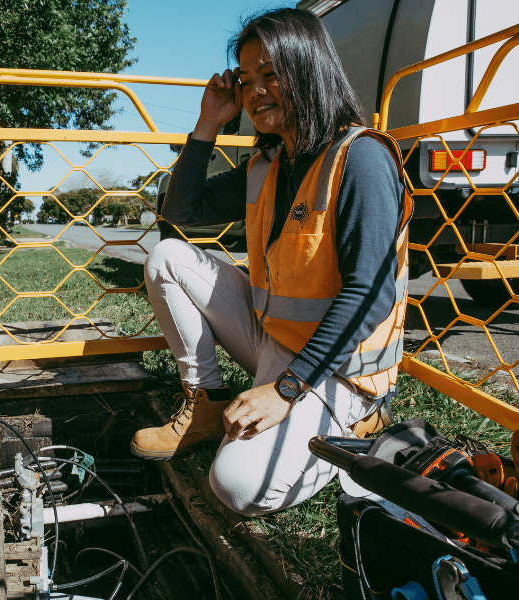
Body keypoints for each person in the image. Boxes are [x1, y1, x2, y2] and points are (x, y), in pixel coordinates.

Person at [130, 8, 411, 516]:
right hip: (273, 341)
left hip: (340, 372)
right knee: (167, 257)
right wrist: (208, 123)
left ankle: (359, 424)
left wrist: (284, 390)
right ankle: (207, 404)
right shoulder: (269, 162)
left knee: (236, 485)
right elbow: (180, 214)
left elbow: (369, 293)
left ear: (309, 71)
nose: (254, 91)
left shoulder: (361, 158)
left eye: (270, 74)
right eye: (246, 78)